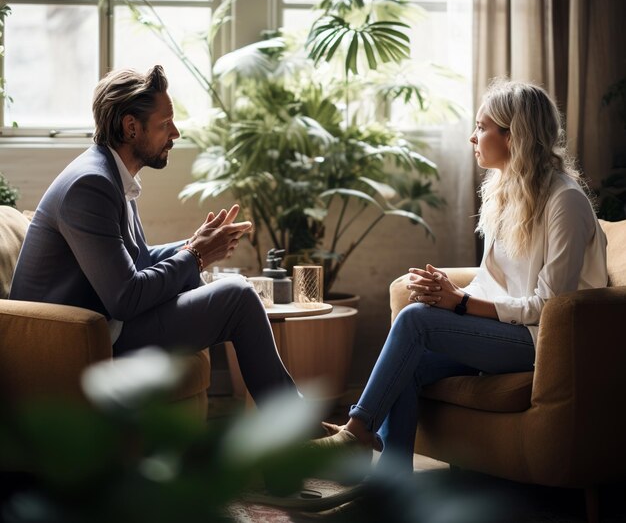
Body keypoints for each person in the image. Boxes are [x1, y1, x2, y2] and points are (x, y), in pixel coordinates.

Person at [316, 79, 608, 472]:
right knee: (409, 364)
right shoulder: (505, 191)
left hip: (541, 343)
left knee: (415, 321)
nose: (473, 137)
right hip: (510, 333)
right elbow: (492, 281)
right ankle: (391, 486)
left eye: (482, 127)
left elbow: (550, 306)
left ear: (513, 136)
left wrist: (462, 304)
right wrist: (449, 293)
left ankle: (356, 432)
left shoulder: (565, 201)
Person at [9, 65, 297, 404]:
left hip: (104, 327)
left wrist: (196, 244)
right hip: (68, 345)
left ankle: (299, 430)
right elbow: (126, 297)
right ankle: (303, 433)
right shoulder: (91, 185)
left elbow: (135, 260)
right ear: (131, 127)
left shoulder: (110, 175)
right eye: (165, 124)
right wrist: (195, 255)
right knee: (238, 296)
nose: (175, 132)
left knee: (231, 291)